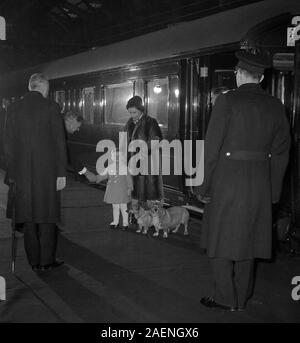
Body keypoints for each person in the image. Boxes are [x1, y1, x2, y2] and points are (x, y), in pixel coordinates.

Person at [195, 51, 291, 311]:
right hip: (259, 186)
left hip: (226, 184)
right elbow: (282, 153)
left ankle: (226, 298)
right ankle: (243, 296)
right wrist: (272, 192)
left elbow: (211, 149)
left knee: (219, 243)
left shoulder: (227, 102)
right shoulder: (275, 105)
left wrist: (201, 187)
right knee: (249, 243)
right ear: (260, 77)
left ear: (239, 74)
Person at [4, 73, 68, 271]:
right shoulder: (51, 107)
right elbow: (60, 143)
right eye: (47, 89)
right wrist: (61, 173)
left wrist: (12, 172)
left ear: (30, 87)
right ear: (42, 88)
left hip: (21, 175)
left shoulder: (13, 109)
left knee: (28, 217)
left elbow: (7, 145)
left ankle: (33, 261)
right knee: (47, 216)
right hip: (47, 174)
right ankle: (47, 260)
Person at [122, 96, 164, 210]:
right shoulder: (129, 123)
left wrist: (141, 153)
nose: (132, 115)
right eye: (130, 112)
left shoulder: (151, 122)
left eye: (134, 112)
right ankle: (137, 218)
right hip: (133, 164)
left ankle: (152, 219)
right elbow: (124, 142)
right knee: (134, 192)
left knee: (149, 192)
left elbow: (155, 141)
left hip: (148, 164)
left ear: (141, 110)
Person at [85, 149, 133, 230]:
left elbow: (129, 179)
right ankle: (115, 222)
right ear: (112, 157)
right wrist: (94, 177)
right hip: (113, 191)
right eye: (115, 156)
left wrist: (129, 188)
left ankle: (125, 223)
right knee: (115, 207)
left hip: (122, 191)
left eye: (119, 156)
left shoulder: (125, 168)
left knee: (123, 207)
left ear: (122, 157)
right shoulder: (109, 167)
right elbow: (102, 176)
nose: (117, 158)